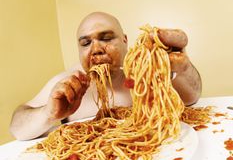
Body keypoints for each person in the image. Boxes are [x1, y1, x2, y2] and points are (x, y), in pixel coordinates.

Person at [10, 11, 202, 140]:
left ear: (125, 41)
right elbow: (17, 128)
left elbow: (192, 99)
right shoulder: (68, 83)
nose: (96, 50)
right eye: (85, 43)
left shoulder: (147, 71)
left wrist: (183, 67)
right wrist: (48, 113)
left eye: (106, 38)